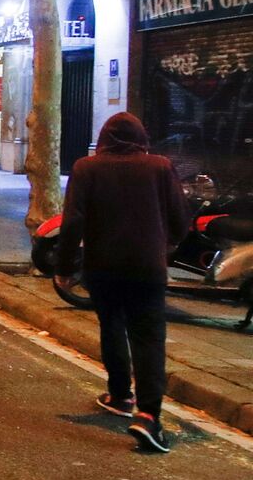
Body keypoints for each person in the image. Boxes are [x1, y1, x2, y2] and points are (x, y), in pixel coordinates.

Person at [54, 112, 187, 453]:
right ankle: (148, 415)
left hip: (103, 266)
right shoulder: (160, 167)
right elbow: (179, 221)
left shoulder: (86, 168)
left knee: (111, 325)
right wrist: (163, 245)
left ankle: (119, 395)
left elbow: (72, 222)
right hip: (147, 268)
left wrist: (64, 266)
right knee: (148, 337)